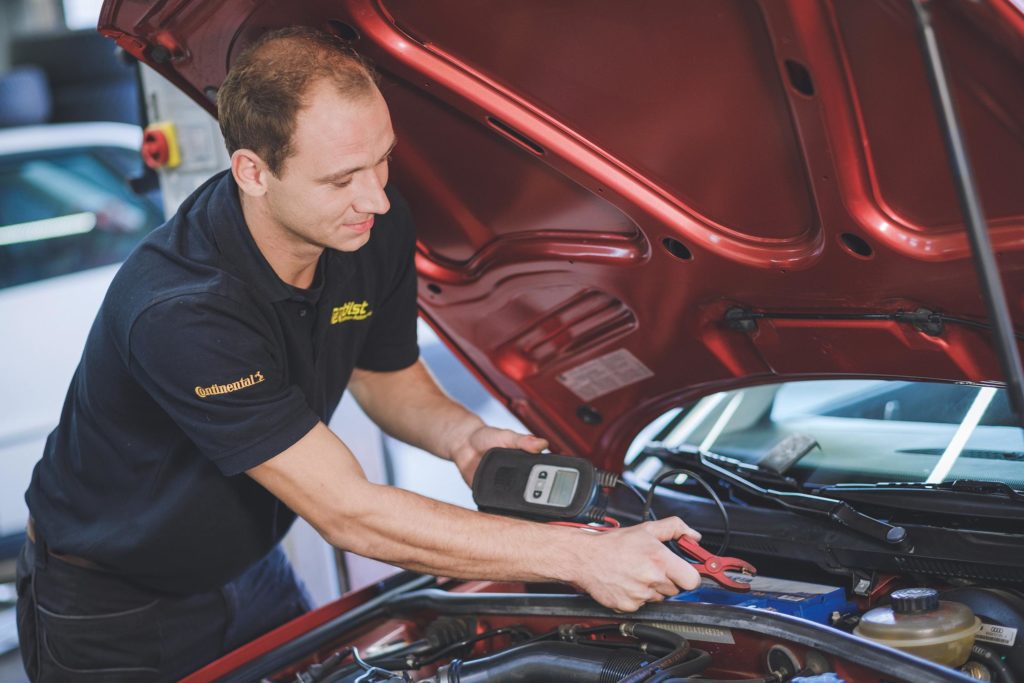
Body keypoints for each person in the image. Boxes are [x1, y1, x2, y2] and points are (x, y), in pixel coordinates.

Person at [16, 27, 701, 681]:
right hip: (112, 605)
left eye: (382, 159)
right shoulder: (182, 309)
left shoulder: (368, 227)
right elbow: (348, 510)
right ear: (253, 172)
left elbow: (386, 376)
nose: (374, 196)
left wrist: (464, 435)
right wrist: (581, 557)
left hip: (247, 567)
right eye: (342, 179)